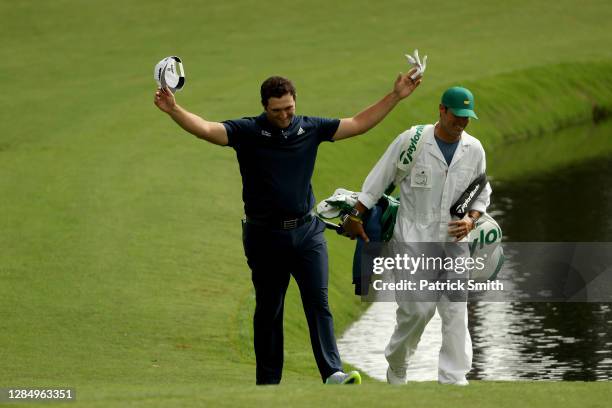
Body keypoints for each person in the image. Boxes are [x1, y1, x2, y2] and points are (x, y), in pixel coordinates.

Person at [153, 67, 423, 385]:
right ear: (265, 106)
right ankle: (269, 383)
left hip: (307, 232)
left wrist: (395, 95)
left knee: (318, 301)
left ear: (295, 102)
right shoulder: (248, 131)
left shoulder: (310, 128)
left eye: (289, 108)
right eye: (277, 110)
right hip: (264, 235)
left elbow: (357, 124)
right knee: (269, 308)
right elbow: (207, 130)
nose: (284, 115)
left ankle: (332, 372)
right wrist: (174, 109)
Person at [342, 86, 492, 385]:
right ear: (442, 110)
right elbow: (379, 179)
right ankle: (397, 364)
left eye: (467, 118)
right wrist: (356, 213)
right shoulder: (412, 141)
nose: (461, 123)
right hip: (413, 238)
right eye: (457, 116)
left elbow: (482, 192)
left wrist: (472, 221)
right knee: (416, 310)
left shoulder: (473, 149)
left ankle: (454, 380)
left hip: (455, 241)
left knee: (455, 311)